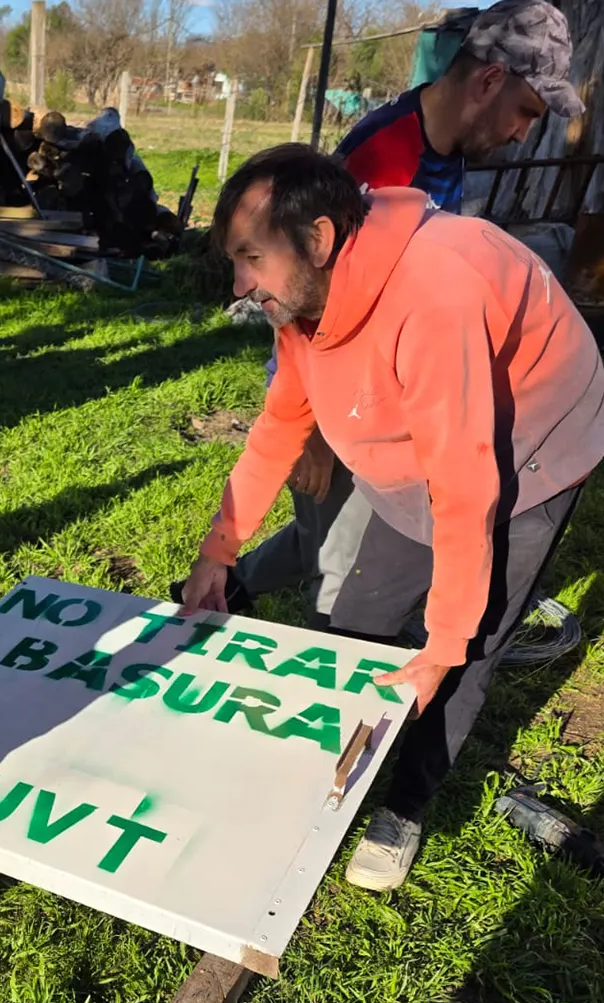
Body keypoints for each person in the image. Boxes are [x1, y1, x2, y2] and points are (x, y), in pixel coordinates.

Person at [180, 145, 603, 892]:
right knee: (358, 613)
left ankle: (404, 806)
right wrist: (220, 551)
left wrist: (441, 642)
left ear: (317, 238)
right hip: (426, 440)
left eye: (251, 258)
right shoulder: (304, 296)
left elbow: (467, 481)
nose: (240, 284)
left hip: (534, 438)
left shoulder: (435, 292)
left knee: (467, 646)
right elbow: (279, 427)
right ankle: (320, 765)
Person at [178, 0, 583, 628]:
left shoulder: (449, 152)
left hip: (393, 380)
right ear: (491, 81)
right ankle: (321, 633)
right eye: (528, 111)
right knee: (340, 547)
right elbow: (302, 292)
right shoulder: (386, 157)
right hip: (336, 384)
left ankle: (253, 588)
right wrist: (312, 433)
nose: (524, 133)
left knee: (356, 529)